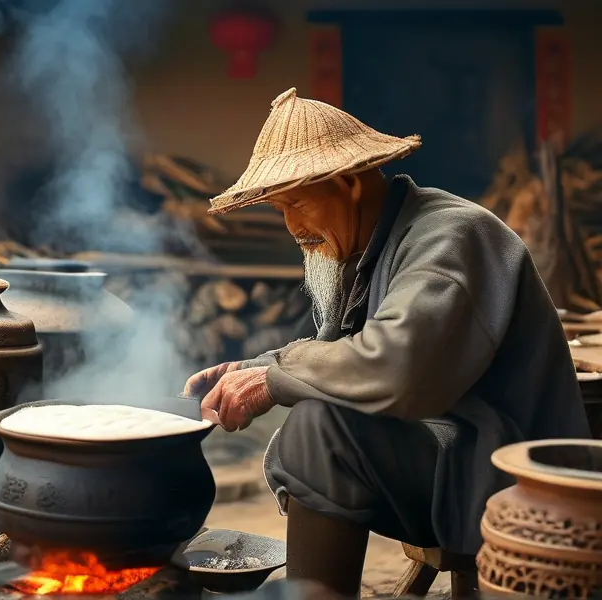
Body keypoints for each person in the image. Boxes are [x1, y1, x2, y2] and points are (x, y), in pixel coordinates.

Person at [184, 88, 590, 597]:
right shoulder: (377, 241)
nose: (292, 227)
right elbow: (342, 353)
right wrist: (254, 366)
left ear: (350, 183)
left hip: (507, 477)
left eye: (298, 204)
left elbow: (394, 368)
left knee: (320, 430)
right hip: (453, 458)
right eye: (279, 210)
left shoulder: (450, 236)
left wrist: (273, 379)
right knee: (319, 416)